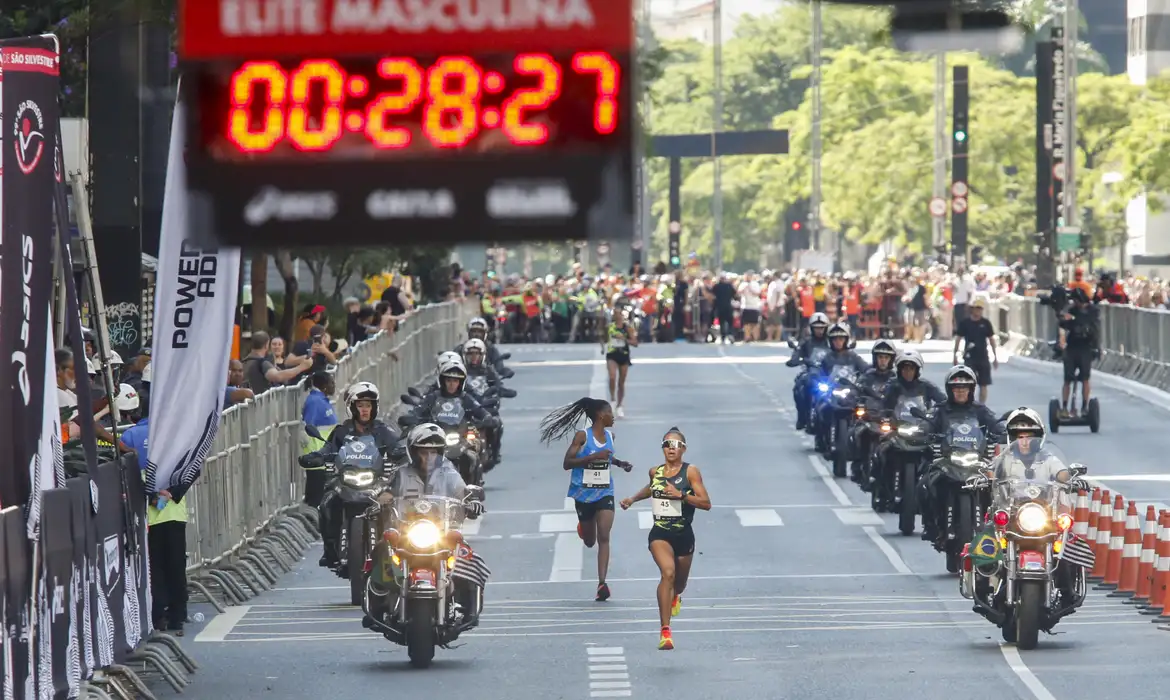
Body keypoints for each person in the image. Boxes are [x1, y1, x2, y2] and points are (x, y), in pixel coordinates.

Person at [366, 423, 486, 629]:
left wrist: (472, 501)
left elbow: (463, 491)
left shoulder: (449, 472)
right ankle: (378, 604)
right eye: (423, 451)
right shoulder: (401, 473)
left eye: (433, 452)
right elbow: (387, 491)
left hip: (440, 531)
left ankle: (466, 607)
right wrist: (380, 500)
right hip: (407, 532)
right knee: (380, 550)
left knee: (466, 556)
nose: (428, 457)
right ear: (413, 452)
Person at [620, 428, 710, 651]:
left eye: (676, 444)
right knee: (667, 573)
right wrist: (632, 499)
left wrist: (682, 495)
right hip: (660, 533)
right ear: (662, 448)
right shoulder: (655, 472)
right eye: (667, 444)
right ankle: (665, 631)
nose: (672, 448)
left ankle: (675, 596)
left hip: (684, 534)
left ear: (684, 449)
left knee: (678, 584)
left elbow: (706, 503)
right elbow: (652, 489)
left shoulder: (691, 472)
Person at [539, 397, 633, 602]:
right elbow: (567, 463)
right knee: (590, 541)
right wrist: (591, 457)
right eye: (610, 412)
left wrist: (619, 463)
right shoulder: (582, 436)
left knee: (604, 536)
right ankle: (584, 528)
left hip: (604, 491)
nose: (613, 416)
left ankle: (602, 583)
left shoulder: (610, 435)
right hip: (583, 493)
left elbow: (606, 457)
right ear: (601, 415)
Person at [299, 381, 400, 567]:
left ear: (374, 407)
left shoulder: (383, 431)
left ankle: (395, 548)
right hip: (345, 481)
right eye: (360, 405)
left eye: (368, 405)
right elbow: (327, 448)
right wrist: (316, 457)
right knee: (326, 504)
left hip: (376, 483)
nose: (364, 410)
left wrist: (402, 452)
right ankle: (330, 549)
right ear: (352, 407)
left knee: (395, 505)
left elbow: (398, 448)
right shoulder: (341, 431)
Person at [121, 416, 190, 635]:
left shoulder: (131, 434)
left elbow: (126, 470)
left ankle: (157, 615)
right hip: (175, 514)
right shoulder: (177, 434)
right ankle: (178, 616)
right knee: (177, 567)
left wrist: (151, 495)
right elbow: (191, 470)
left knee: (154, 568)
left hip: (148, 518)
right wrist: (172, 493)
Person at [920, 365, 1003, 543]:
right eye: (956, 388)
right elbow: (927, 425)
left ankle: (995, 528)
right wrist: (924, 432)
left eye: (964, 388)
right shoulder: (940, 410)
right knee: (924, 484)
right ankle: (930, 525)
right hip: (947, 461)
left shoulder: (980, 410)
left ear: (971, 390)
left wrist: (1003, 432)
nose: (960, 391)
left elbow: (996, 425)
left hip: (975, 461)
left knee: (998, 487)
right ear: (950, 390)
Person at [1057, 287, 1099, 419]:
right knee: (1067, 379)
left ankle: (1085, 407)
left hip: (1085, 347)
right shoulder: (1071, 310)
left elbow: (1093, 328)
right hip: (1072, 347)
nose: (1074, 303)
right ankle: (1064, 407)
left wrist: (1096, 348)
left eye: (1075, 300)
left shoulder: (1092, 311)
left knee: (1085, 379)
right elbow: (1062, 324)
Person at [786, 312, 831, 430]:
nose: (819, 331)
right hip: (811, 373)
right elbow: (797, 354)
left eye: (822, 328)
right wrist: (795, 360)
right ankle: (802, 416)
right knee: (799, 388)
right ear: (811, 328)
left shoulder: (832, 341)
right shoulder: (806, 342)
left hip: (830, 373)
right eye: (817, 328)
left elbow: (844, 354)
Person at [301, 372, 338, 509]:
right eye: (331, 383)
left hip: (326, 456)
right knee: (315, 497)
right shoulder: (314, 402)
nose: (333, 386)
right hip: (317, 456)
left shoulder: (322, 400)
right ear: (323, 385)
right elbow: (307, 426)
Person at [951, 295, 998, 404]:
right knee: (969, 383)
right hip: (969, 357)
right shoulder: (965, 323)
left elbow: (991, 339)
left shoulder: (986, 323)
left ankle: (982, 405)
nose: (978, 311)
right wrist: (955, 355)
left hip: (983, 357)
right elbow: (958, 339)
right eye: (976, 308)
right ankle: (970, 404)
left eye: (980, 308)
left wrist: (995, 357)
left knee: (983, 384)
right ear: (972, 309)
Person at [242, 331, 313, 394]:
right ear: (267, 345)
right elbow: (277, 376)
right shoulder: (262, 363)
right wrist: (302, 367)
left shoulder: (243, 362)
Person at [604, 306, 638, 418]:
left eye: (619, 314)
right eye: (615, 314)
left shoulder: (627, 328)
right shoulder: (609, 327)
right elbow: (604, 337)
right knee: (612, 377)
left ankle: (619, 406)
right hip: (612, 355)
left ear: (622, 316)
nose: (617, 316)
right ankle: (613, 400)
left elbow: (635, 343)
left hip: (623, 356)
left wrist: (624, 339)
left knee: (621, 382)